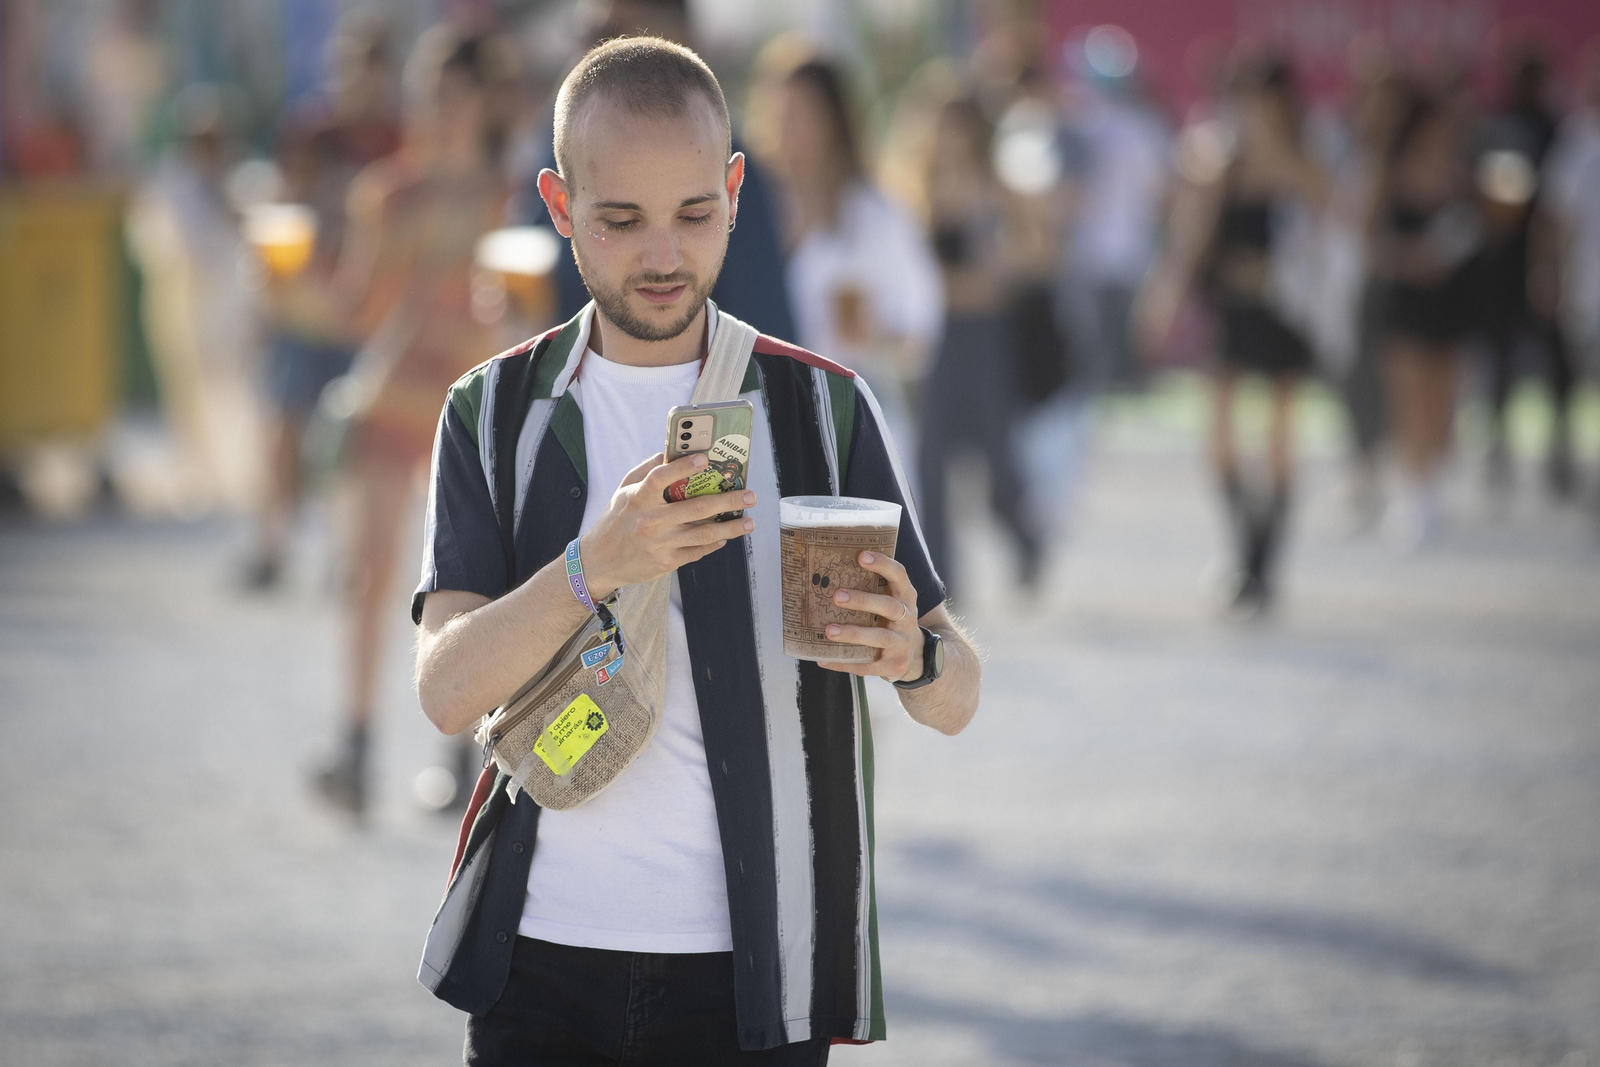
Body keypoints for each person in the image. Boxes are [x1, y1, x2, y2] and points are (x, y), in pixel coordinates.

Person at [410, 37, 980, 1064]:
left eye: (695, 213)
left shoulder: (819, 407)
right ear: (557, 205)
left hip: (758, 971)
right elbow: (447, 692)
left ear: (735, 191)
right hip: (538, 959)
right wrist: (595, 563)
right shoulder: (493, 412)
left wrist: (916, 656)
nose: (664, 255)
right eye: (621, 219)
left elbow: (957, 693)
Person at [310, 27, 515, 815]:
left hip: (470, 403)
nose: (440, 107)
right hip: (394, 397)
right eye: (430, 91)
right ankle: (356, 742)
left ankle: (464, 752)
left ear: (485, 101)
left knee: (471, 584)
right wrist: (288, 287)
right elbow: (356, 309)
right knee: (369, 571)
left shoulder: (511, 195)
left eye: (454, 92)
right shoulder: (388, 194)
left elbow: (524, 313)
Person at [1139, 58, 1328, 610]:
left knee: (1280, 435)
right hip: (1231, 308)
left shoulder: (1303, 161)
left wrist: (1280, 160)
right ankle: (1244, 549)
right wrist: (1166, 299)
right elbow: (1191, 238)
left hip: (1285, 312)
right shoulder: (1220, 163)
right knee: (1220, 434)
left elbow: (1329, 214)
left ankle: (1265, 561)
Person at [243, 15, 400, 589]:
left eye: (373, 73)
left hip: (364, 313)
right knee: (286, 427)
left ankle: (346, 552)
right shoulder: (315, 133)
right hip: (309, 305)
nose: (364, 85)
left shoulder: (398, 137)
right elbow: (284, 202)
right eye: (355, 70)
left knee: (354, 440)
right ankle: (273, 545)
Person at [778, 58, 945, 478]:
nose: (787, 127)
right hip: (772, 417)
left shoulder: (878, 215)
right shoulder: (748, 209)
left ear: (835, 121)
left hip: (853, 421)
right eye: (781, 112)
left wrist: (872, 333)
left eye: (802, 113)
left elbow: (921, 328)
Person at [916, 95, 1041, 598]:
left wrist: (997, 268)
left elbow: (1034, 250)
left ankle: (1025, 533)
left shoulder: (996, 190)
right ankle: (942, 574)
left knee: (995, 452)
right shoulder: (918, 188)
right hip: (937, 333)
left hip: (985, 332)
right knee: (931, 455)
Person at [1372, 85, 1477, 545]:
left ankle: (1430, 485)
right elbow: (1368, 237)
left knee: (1443, 402)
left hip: (1450, 301)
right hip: (1405, 301)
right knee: (1409, 399)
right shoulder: (1390, 173)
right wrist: (1409, 259)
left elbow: (1478, 229)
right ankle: (1411, 494)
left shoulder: (1460, 176)